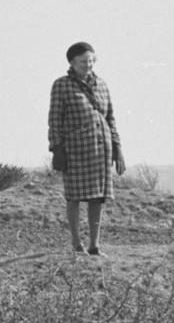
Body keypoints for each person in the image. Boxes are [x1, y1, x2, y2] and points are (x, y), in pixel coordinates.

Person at [48, 41, 125, 254]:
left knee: (97, 198)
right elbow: (54, 119)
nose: (88, 65)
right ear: (72, 62)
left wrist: (118, 147)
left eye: (91, 61)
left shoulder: (102, 85)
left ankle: (94, 244)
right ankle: (76, 243)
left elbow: (110, 118)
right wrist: (56, 148)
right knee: (73, 196)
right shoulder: (61, 85)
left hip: (101, 149)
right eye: (83, 61)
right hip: (76, 149)